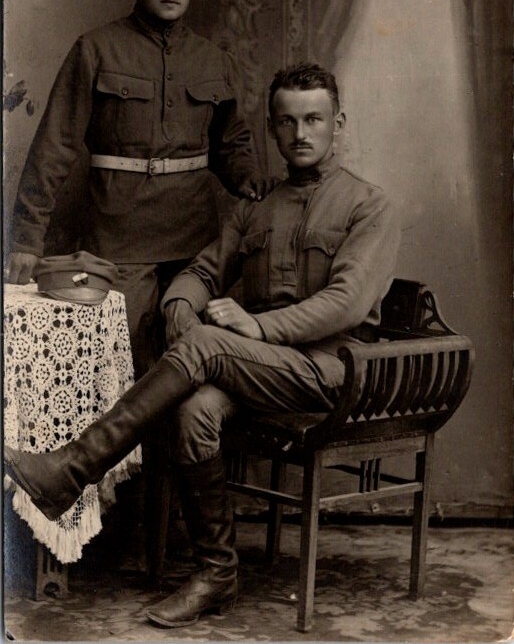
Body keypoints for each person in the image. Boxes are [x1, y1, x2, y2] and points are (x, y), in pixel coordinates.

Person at [5, 62, 402, 628]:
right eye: (286, 122)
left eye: (314, 119)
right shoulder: (258, 204)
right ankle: (217, 572)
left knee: (208, 348)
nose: (300, 134)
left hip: (332, 371)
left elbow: (347, 303)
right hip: (260, 368)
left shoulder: (370, 206)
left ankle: (73, 467)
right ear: (271, 128)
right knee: (193, 411)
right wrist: (179, 305)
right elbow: (204, 269)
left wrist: (257, 328)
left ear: (338, 123)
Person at [6, 0, 268, 375]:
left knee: (193, 368)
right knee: (115, 369)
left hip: (196, 247)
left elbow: (233, 146)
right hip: (119, 244)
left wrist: (251, 183)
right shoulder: (96, 50)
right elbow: (54, 147)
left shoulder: (215, 61)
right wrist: (28, 238)